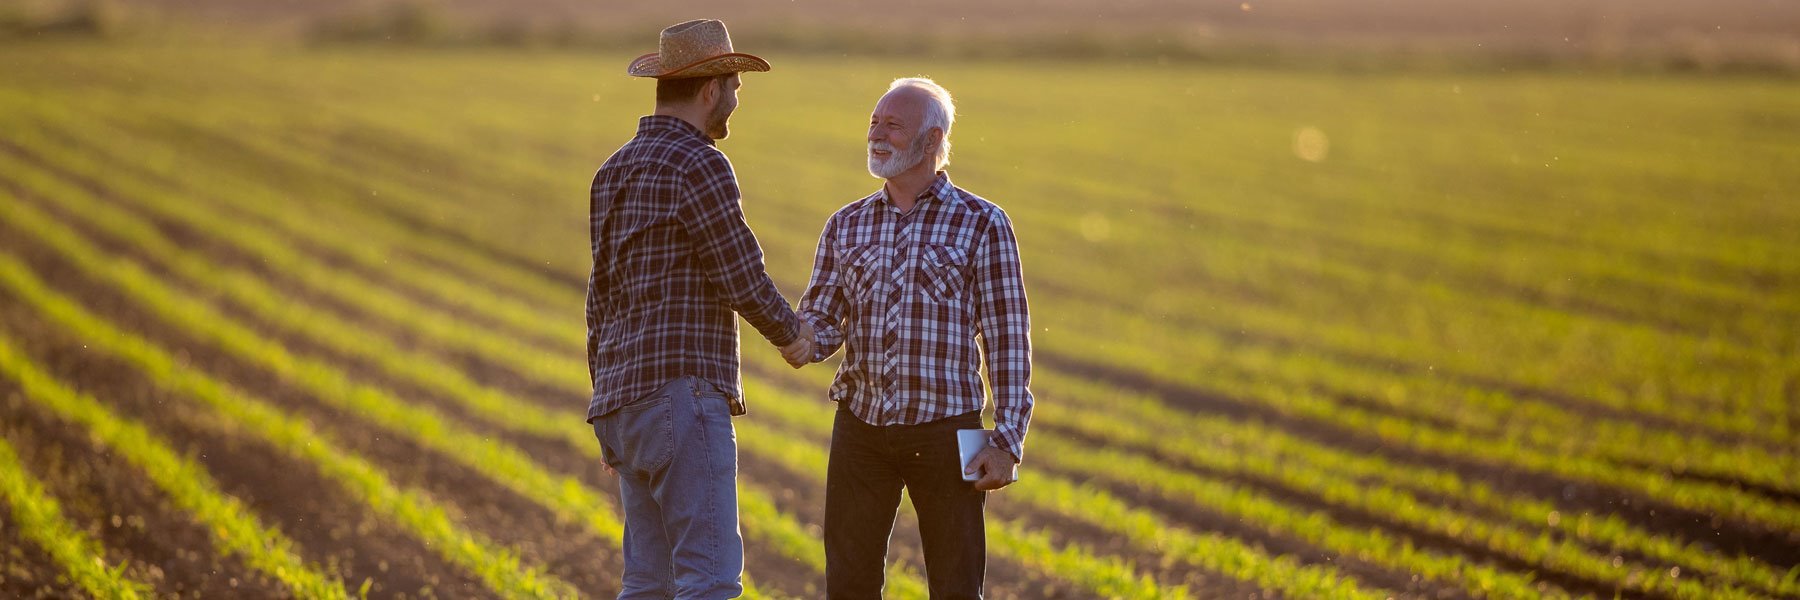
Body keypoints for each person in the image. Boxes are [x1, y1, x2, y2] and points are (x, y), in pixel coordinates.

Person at [585, 19, 812, 600]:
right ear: (711, 89)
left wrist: (607, 413)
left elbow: (600, 298)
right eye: (733, 89)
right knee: (708, 582)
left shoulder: (610, 172)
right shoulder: (700, 164)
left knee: (646, 585)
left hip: (623, 404)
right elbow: (739, 274)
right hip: (679, 399)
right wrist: (793, 337)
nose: (735, 102)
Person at [797, 77, 1034, 599]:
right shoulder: (846, 224)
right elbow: (822, 317)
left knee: (955, 583)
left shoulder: (983, 223)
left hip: (950, 431)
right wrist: (797, 337)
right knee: (849, 583)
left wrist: (1007, 441)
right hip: (860, 427)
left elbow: (1008, 339)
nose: (877, 135)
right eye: (873, 123)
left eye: (893, 126)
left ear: (931, 143)